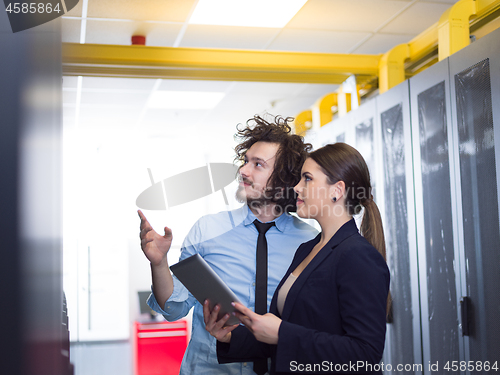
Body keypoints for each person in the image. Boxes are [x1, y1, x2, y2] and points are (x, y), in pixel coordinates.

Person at [138, 115, 318, 375]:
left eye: (258, 164)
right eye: (245, 161)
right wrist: (159, 263)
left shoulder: (309, 242)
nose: (243, 170)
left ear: (285, 179)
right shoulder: (207, 230)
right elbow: (173, 310)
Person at [205, 143, 391, 374]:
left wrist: (282, 333)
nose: (296, 187)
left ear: (337, 190)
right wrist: (230, 337)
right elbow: (288, 335)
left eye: (307, 179)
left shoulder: (358, 256)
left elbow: (365, 354)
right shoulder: (307, 249)